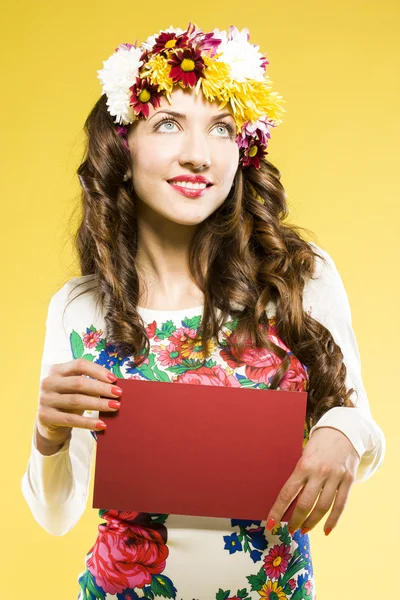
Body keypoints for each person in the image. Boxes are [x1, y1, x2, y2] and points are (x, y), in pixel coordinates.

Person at [21, 22, 385, 600]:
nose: (198, 155)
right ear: (122, 145)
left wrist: (342, 428)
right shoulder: (80, 309)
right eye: (168, 123)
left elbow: (360, 431)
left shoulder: (296, 276)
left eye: (222, 128)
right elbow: (56, 515)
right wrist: (48, 433)